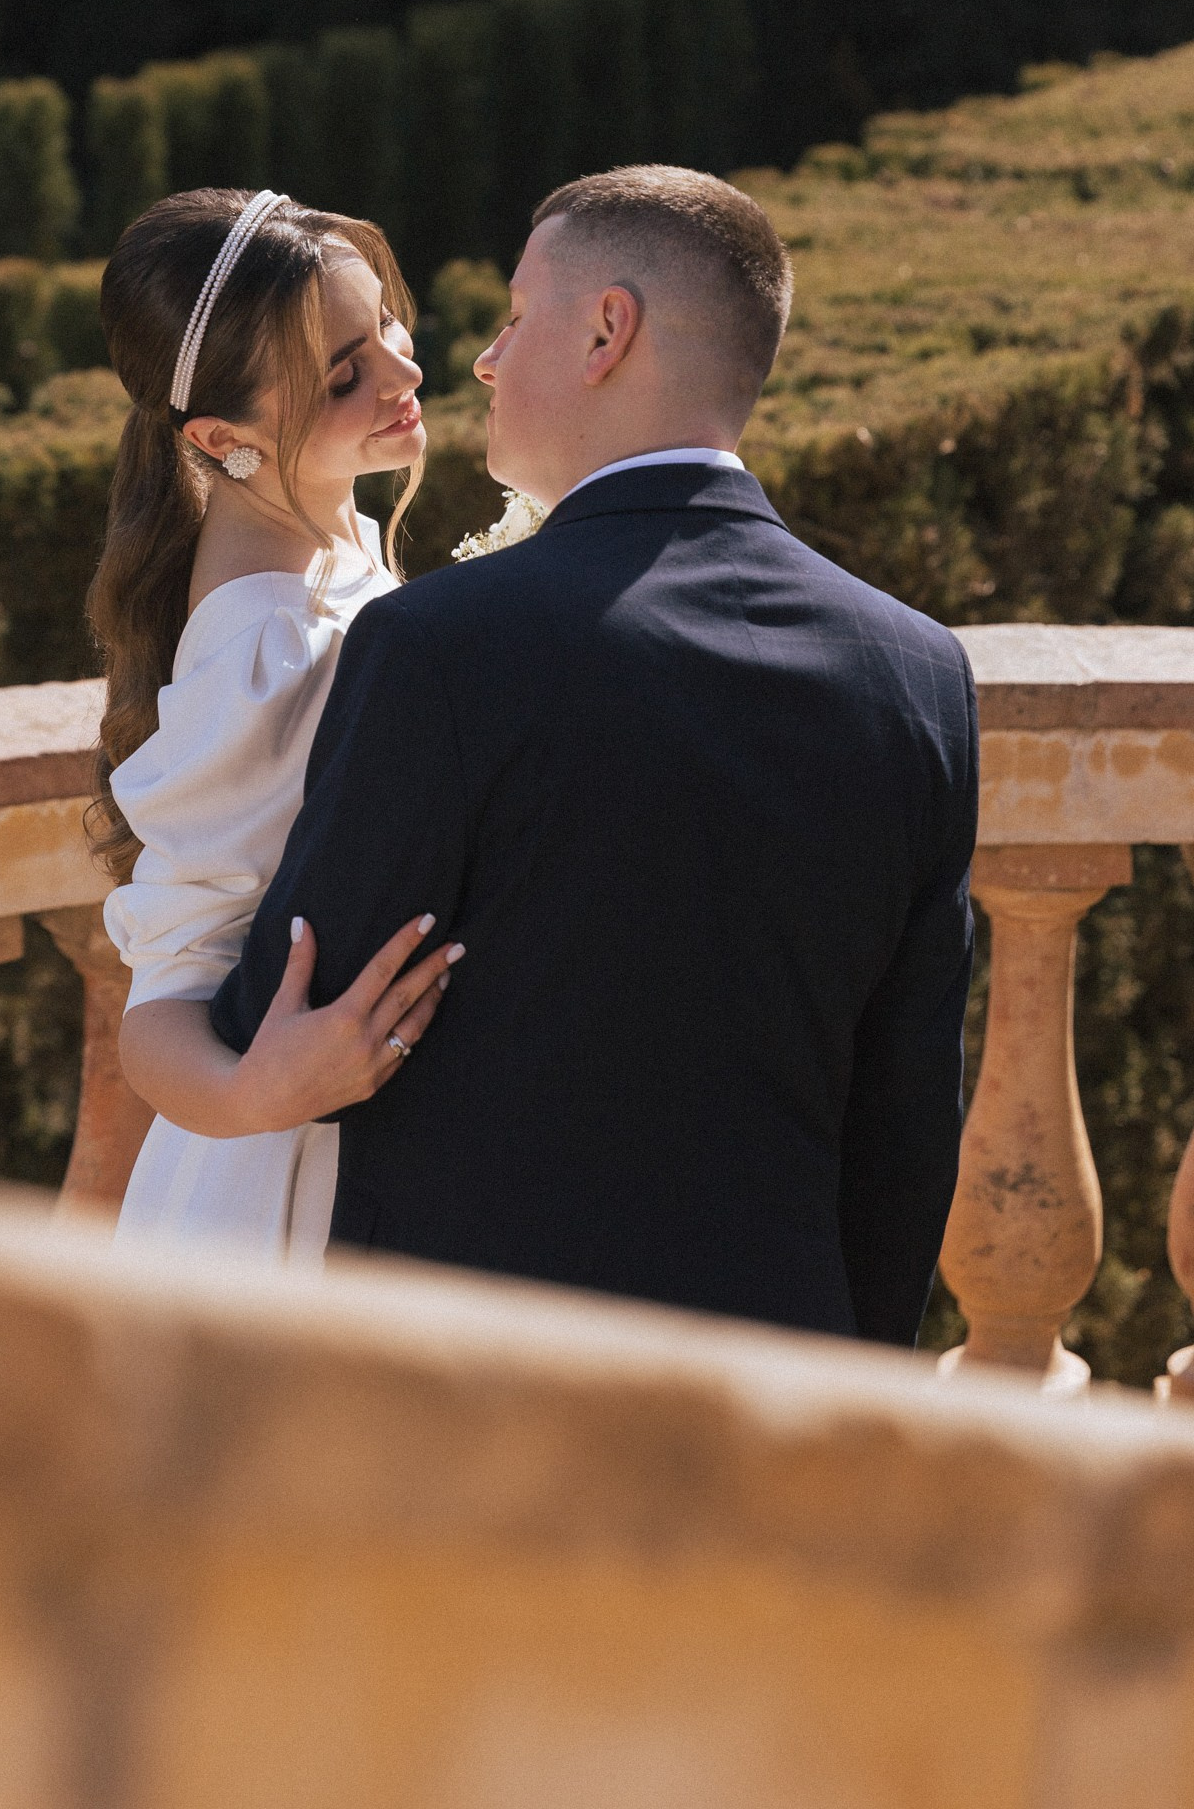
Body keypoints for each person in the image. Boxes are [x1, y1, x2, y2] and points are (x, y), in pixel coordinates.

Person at [210, 163, 978, 1343]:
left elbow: (279, 1009)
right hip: (774, 1382)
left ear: (605, 332)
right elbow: (904, 1121)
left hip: (478, 1395)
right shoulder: (918, 675)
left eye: (517, 319)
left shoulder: (438, 649)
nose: (483, 360)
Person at [91, 187, 463, 1261]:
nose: (403, 375)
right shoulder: (262, 642)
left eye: (387, 325)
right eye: (344, 375)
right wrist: (262, 1089)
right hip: (289, 1186)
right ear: (222, 437)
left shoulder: (323, 521)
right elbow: (161, 1007)